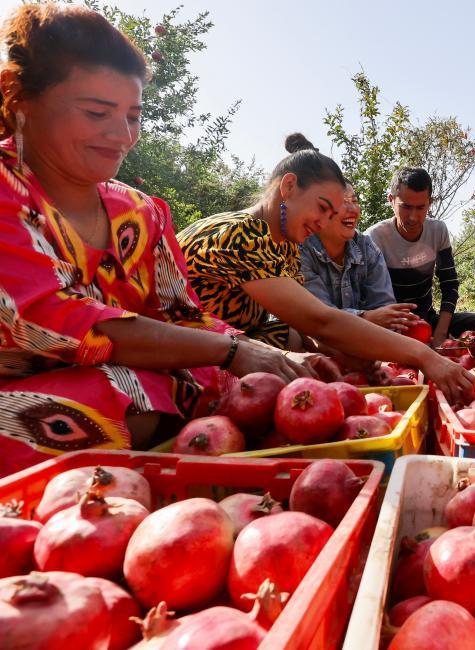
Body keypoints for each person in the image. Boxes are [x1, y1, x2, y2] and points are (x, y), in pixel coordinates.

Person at [0, 4, 317, 474]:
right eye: (96, 112)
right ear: (22, 101)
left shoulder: (141, 212)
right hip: (27, 395)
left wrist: (278, 361)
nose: (121, 134)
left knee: (231, 379)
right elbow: (45, 317)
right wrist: (231, 351)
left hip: (139, 380)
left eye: (133, 116)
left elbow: (182, 316)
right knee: (104, 398)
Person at [177, 136, 475, 403]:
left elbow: (307, 328)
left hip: (233, 341)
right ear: (289, 187)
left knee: (295, 340)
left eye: (331, 214)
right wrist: (423, 355)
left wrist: (350, 357)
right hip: (185, 351)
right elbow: (320, 320)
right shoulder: (242, 235)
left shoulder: (285, 246)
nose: (322, 222)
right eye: (322, 208)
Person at [367, 167, 475, 346]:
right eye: (406, 207)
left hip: (428, 321)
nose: (413, 217)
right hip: (391, 328)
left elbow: (450, 284)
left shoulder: (438, 231)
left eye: (421, 207)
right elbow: (372, 300)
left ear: (430, 202)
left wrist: (440, 334)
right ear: (391, 200)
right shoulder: (374, 238)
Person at [299, 179, 417, 331]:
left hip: (364, 340)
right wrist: (367, 318)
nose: (353, 209)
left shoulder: (367, 248)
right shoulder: (301, 251)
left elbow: (386, 315)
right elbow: (316, 319)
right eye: (343, 202)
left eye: (354, 201)